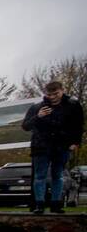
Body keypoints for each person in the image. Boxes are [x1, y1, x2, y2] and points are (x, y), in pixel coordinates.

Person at [22, 81, 83, 214]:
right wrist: (39, 116)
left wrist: (75, 142)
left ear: (62, 90)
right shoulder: (37, 107)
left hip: (62, 146)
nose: (53, 97)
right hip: (41, 146)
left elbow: (78, 126)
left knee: (58, 175)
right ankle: (39, 205)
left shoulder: (72, 106)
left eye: (56, 94)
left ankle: (56, 204)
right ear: (46, 94)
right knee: (40, 176)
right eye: (50, 94)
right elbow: (26, 126)